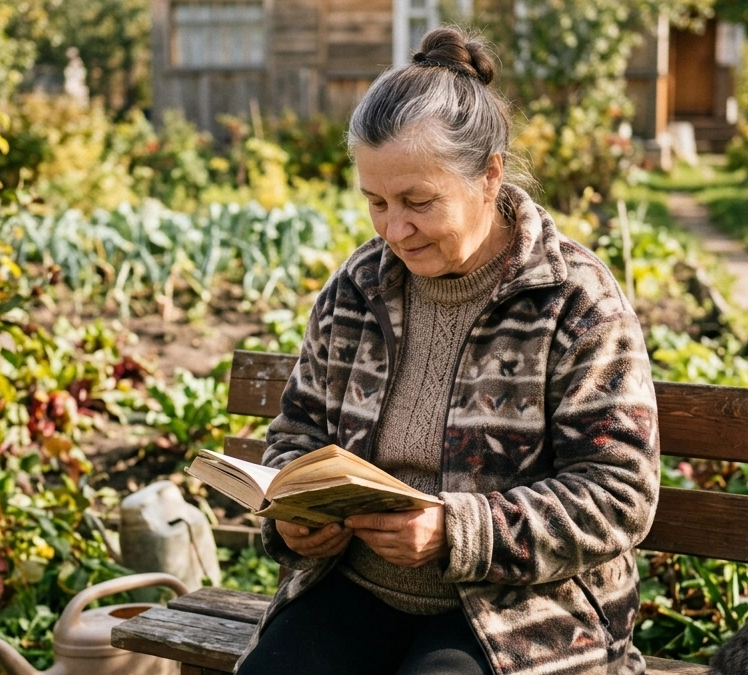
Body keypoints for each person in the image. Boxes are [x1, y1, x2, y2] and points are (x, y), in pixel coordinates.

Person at [235, 27, 660, 675]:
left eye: (417, 201)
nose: (393, 229)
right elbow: (298, 431)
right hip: (358, 585)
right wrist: (291, 518)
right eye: (375, 202)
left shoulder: (573, 298)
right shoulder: (357, 288)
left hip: (522, 608)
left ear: (489, 175)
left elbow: (620, 492)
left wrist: (457, 531)